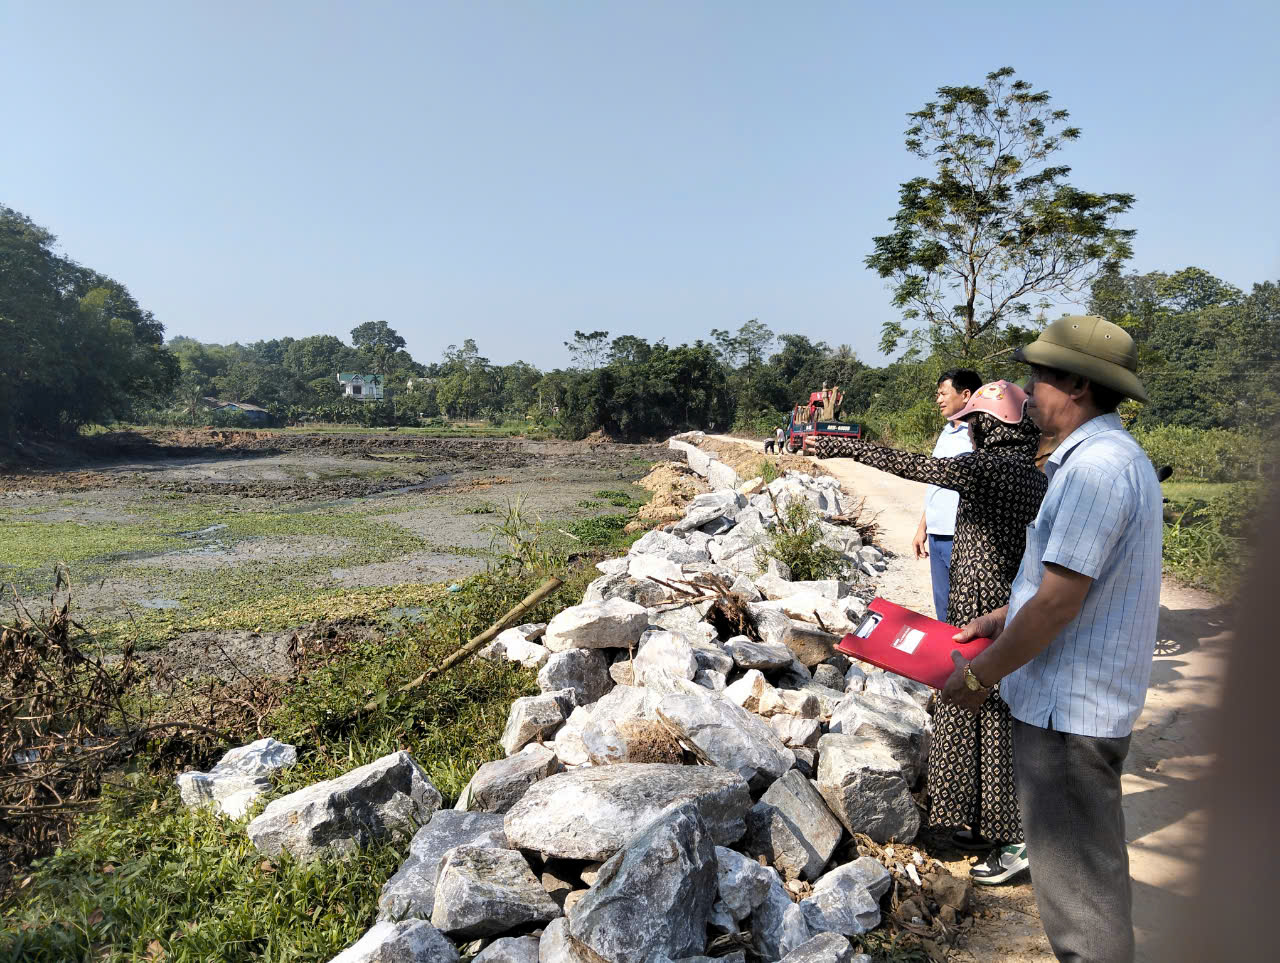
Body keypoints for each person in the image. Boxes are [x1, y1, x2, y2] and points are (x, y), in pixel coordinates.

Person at [941, 315, 1162, 963]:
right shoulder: (1104, 460)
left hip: (1069, 716)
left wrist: (981, 675)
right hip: (1077, 706)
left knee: (1080, 901)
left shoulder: (1095, 469)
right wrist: (1001, 618)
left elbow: (1061, 602)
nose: (1029, 390)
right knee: (1089, 879)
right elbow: (1062, 586)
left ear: (1076, 384)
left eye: (1040, 376)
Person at [841, 380, 1048, 884]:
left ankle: (1015, 837)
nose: (970, 433)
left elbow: (917, 468)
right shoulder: (1033, 473)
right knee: (983, 711)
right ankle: (985, 823)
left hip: (985, 609)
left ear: (988, 426)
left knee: (990, 713)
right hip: (992, 604)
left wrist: (840, 445)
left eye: (974, 424)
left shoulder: (991, 468)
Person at [912, 368, 983, 620]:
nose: (938, 399)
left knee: (966, 608)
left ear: (965, 395)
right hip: (937, 534)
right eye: (937, 394)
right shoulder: (946, 431)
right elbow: (935, 483)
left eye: (943, 393)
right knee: (942, 604)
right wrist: (923, 527)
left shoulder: (979, 435)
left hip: (963, 535)